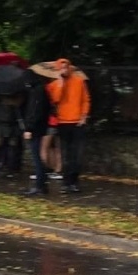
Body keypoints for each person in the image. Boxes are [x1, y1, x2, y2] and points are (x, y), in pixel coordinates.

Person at [47, 58, 91, 194]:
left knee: (77, 154)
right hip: (63, 122)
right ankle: (66, 182)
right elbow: (55, 99)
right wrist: (60, 83)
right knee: (65, 154)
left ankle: (74, 182)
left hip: (77, 122)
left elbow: (86, 100)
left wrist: (84, 116)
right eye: (61, 67)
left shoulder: (79, 81)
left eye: (66, 67)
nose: (64, 69)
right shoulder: (53, 84)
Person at [20, 68, 56, 196]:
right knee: (38, 156)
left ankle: (40, 185)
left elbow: (35, 111)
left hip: (36, 128)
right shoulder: (40, 90)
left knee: (37, 157)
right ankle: (41, 184)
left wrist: (29, 128)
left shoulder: (37, 92)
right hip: (41, 127)